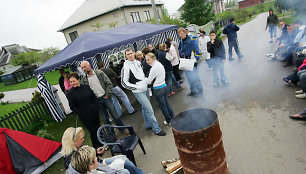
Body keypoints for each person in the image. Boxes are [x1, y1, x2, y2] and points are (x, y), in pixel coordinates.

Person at [121, 48, 166, 136]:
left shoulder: (138, 62)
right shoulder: (125, 67)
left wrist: (145, 81)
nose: (130, 55)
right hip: (138, 91)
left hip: (145, 89)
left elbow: (141, 75)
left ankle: (148, 125)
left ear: (134, 53)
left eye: (131, 53)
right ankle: (156, 129)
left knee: (145, 107)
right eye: (128, 54)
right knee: (149, 109)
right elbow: (124, 83)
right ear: (126, 56)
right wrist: (136, 87)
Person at [61, 127, 145, 174]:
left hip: (98, 164)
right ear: (73, 142)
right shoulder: (70, 160)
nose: (83, 140)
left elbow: (90, 159)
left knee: (124, 159)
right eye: (81, 139)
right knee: (125, 171)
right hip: (97, 168)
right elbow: (89, 170)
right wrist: (103, 166)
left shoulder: (79, 146)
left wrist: (96, 152)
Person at [80, 61, 125, 129]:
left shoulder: (99, 73)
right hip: (97, 101)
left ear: (89, 65)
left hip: (105, 97)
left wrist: (107, 95)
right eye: (82, 68)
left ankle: (122, 129)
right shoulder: (84, 80)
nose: (83, 69)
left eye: (84, 67)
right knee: (105, 119)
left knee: (115, 115)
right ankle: (112, 135)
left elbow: (109, 84)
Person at [67, 73, 102, 149]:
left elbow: (94, 97)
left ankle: (102, 145)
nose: (72, 83)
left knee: (99, 129)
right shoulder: (70, 93)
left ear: (78, 80)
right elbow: (72, 107)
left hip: (94, 113)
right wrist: (81, 113)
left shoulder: (86, 87)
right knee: (93, 132)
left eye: (74, 81)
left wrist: (96, 106)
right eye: (71, 82)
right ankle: (96, 148)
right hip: (85, 117)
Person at [145, 53, 175, 125]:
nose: (147, 61)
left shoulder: (153, 68)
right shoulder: (159, 64)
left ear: (153, 58)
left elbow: (149, 81)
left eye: (149, 59)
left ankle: (168, 121)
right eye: (146, 60)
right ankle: (173, 117)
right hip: (164, 86)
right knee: (167, 103)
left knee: (163, 106)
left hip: (158, 89)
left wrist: (144, 79)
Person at [66, 145, 130, 174]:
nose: (97, 158)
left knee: (123, 160)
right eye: (95, 158)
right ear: (90, 166)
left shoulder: (83, 165)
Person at [178, 27, 203, 96]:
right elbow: (179, 49)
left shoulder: (190, 41)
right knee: (189, 78)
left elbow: (187, 53)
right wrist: (182, 52)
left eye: (181, 33)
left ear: (185, 33)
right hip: (186, 61)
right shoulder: (181, 41)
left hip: (191, 61)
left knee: (195, 77)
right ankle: (193, 91)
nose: (180, 35)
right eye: (179, 34)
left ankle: (200, 92)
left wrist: (182, 53)